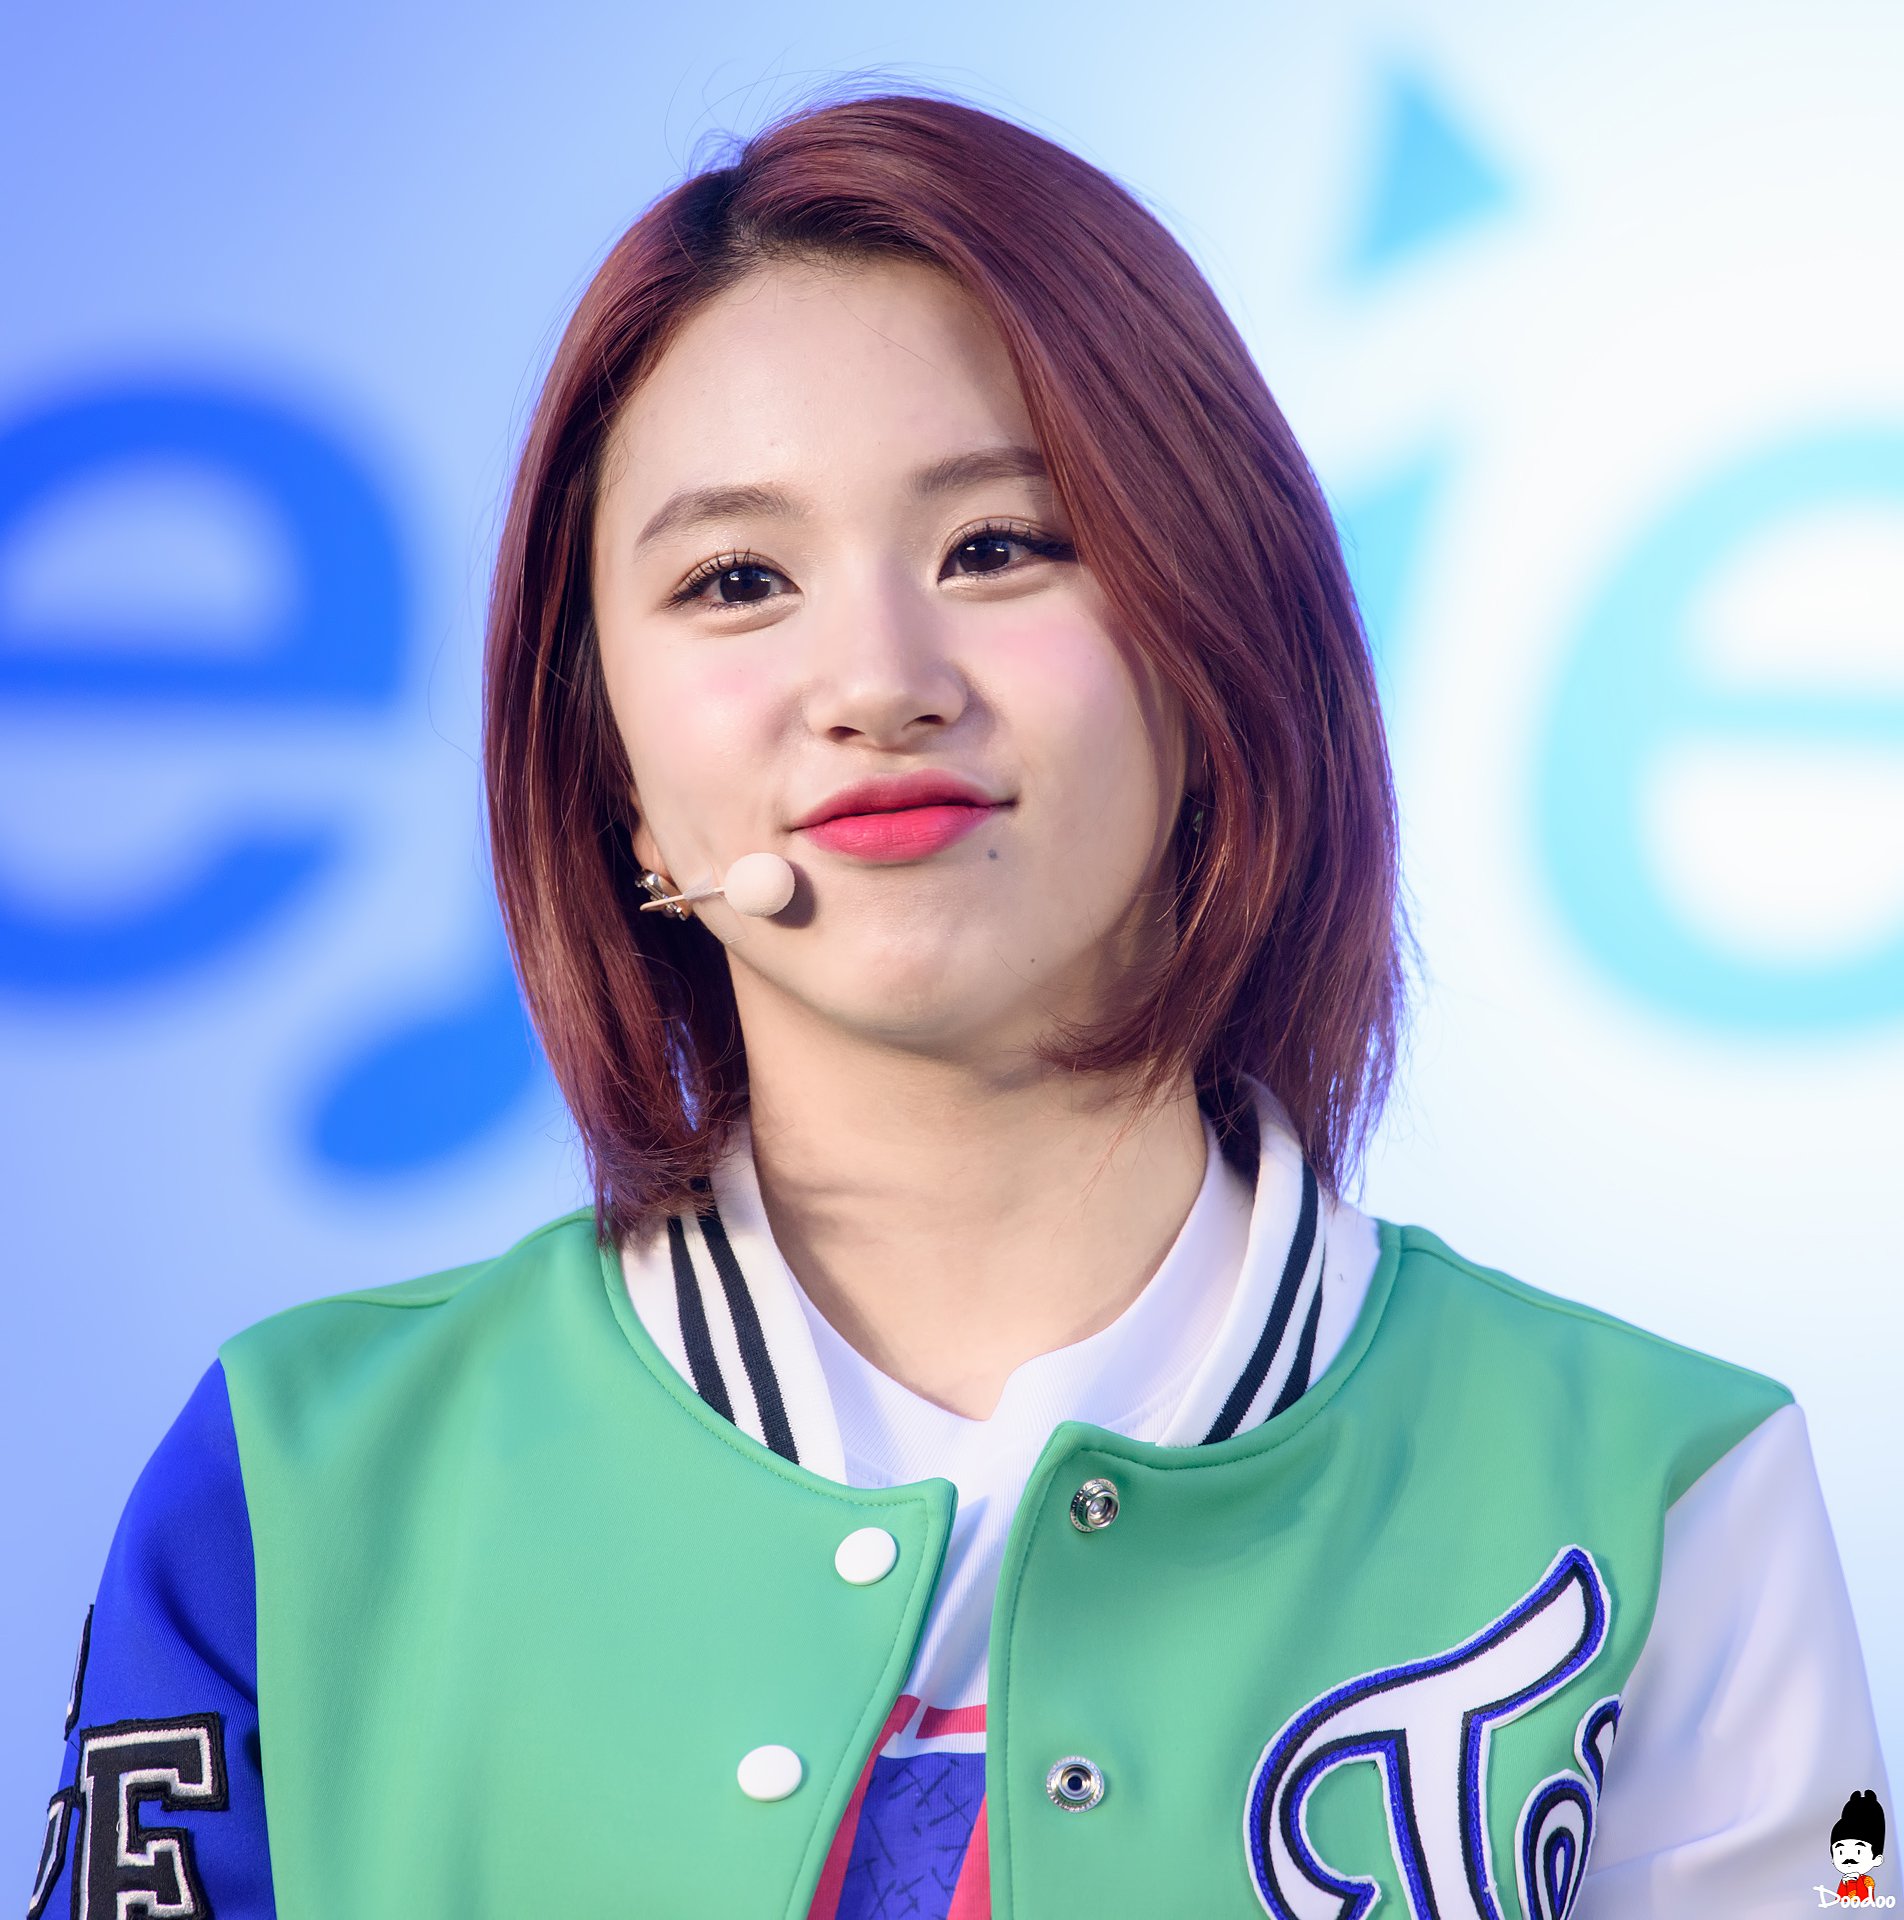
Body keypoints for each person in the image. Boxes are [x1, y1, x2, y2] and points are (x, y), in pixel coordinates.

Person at [27, 85, 1888, 1920]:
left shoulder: (1672, 1490)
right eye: (736, 580)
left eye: (999, 547)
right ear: (609, 763)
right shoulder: (297, 1473)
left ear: (1222, 639)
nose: (877, 680)